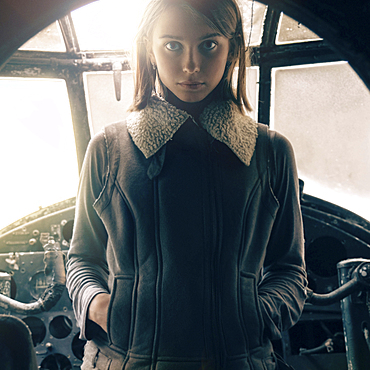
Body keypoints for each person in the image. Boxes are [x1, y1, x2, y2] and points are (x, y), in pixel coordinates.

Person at [66, 0, 307, 369]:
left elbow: (289, 269)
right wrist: (100, 305)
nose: (191, 65)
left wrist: (257, 315)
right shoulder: (107, 148)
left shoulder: (271, 152)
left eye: (209, 45)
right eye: (172, 45)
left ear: (233, 49)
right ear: (150, 47)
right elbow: (83, 258)